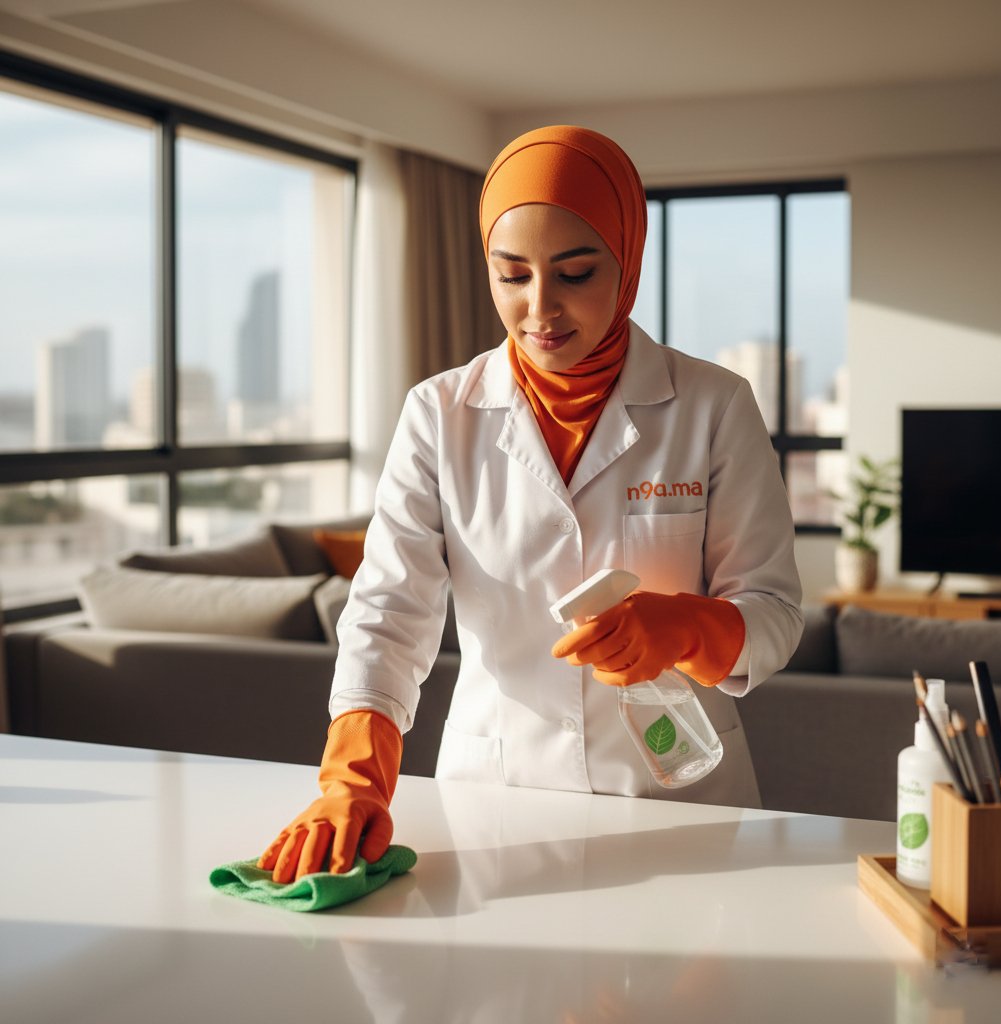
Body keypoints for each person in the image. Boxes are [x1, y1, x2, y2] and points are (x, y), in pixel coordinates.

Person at [258, 125, 804, 884]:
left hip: (680, 800)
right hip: (495, 803)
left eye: (575, 273)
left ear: (629, 263)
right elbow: (389, 612)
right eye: (511, 276)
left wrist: (681, 626)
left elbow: (773, 611)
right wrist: (350, 779)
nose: (539, 308)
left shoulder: (713, 405)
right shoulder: (440, 412)